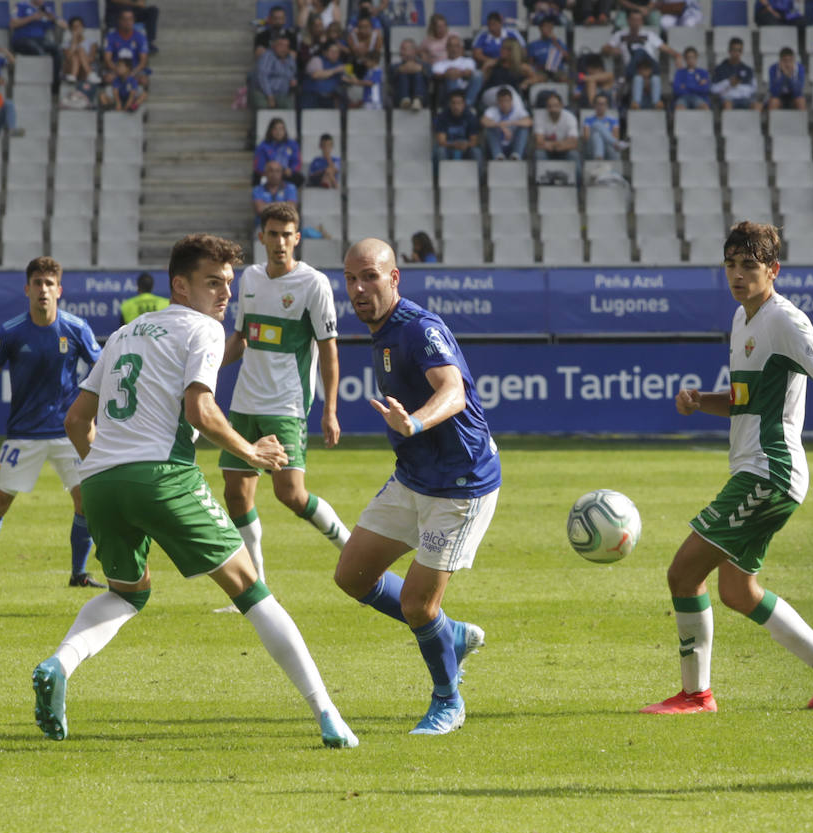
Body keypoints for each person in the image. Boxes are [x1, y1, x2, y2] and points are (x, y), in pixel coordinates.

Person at [30, 233, 357, 749]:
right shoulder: (203, 329)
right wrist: (251, 453)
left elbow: (77, 420)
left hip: (100, 484)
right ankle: (328, 714)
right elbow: (200, 411)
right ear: (180, 285)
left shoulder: (123, 334)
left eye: (228, 282)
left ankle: (59, 663)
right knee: (252, 590)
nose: (225, 293)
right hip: (163, 476)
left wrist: (107, 471)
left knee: (127, 593)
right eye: (212, 282)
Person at [640, 222, 813, 716]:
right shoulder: (742, 319)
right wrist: (702, 402)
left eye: (749, 266)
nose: (738, 275)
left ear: (773, 270)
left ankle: (696, 696)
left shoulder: (785, 320)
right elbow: (746, 402)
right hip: (755, 470)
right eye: (731, 265)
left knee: (683, 572)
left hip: (770, 472)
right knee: (738, 591)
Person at [333, 238, 501, 736]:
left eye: (370, 277)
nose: (359, 289)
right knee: (352, 577)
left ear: (394, 277)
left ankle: (448, 701)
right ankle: (450, 633)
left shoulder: (418, 328)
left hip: (460, 483)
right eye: (351, 280)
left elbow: (452, 388)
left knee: (417, 605)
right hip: (414, 477)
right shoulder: (381, 329)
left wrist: (417, 423)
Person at [209, 203, 350, 613]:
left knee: (290, 494)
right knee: (235, 493)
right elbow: (240, 338)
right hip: (244, 404)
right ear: (263, 237)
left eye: (287, 234)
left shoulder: (313, 284)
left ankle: (348, 545)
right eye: (273, 234)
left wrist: (330, 410)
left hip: (286, 404)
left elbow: (328, 350)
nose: (280, 242)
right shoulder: (250, 278)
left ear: (297, 238)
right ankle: (256, 588)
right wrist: (208, 368)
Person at [0, 256, 103, 591]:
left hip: (67, 432)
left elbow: (103, 369)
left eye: (49, 284)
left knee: (86, 501)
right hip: (24, 433)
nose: (43, 289)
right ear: (27, 289)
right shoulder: (11, 332)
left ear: (59, 290)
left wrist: (93, 415)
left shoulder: (76, 329)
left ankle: (79, 574)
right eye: (37, 283)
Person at [533, 90, 581, 176]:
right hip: (548, 151)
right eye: (550, 106)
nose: (553, 109)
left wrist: (553, 145)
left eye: (555, 105)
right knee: (539, 154)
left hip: (564, 151)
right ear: (547, 107)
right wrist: (560, 144)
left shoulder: (570, 117)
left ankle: (577, 186)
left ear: (561, 105)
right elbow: (538, 143)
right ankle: (541, 185)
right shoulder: (540, 117)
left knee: (574, 155)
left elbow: (574, 143)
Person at [432, 33, 483, 109]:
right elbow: (436, 75)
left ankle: (466, 106)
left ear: (461, 48)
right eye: (451, 46)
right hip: (448, 96)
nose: (453, 49)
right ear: (447, 48)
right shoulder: (439, 64)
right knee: (450, 76)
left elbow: (469, 72)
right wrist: (448, 74)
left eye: (456, 46)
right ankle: (456, 105)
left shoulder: (468, 61)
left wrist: (455, 72)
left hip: (466, 92)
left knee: (478, 74)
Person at [482, 86, 533, 160]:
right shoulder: (492, 110)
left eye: (507, 100)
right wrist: (500, 125)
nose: (504, 104)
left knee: (523, 129)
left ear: (511, 101)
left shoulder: (519, 110)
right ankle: (498, 156)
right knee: (490, 129)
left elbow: (529, 122)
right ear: (498, 102)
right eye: (502, 101)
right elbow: (484, 121)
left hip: (513, 143)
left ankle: (516, 156)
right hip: (498, 144)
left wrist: (509, 123)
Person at [711, 37, 760, 111]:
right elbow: (713, 89)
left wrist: (738, 86)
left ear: (742, 52)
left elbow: (753, 89)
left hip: (745, 99)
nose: (737, 53)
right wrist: (728, 83)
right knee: (727, 104)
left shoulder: (748, 69)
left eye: (739, 51)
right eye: (734, 50)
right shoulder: (720, 69)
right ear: (729, 51)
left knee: (757, 106)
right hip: (728, 99)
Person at [103, 9, 149, 85]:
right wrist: (119, 71)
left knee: (144, 80)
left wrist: (132, 73)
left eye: (130, 19)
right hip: (116, 69)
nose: (128, 22)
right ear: (119, 21)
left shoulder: (141, 37)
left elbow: (143, 61)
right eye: (125, 19)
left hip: (135, 70)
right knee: (108, 79)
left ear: (134, 21)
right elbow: (107, 60)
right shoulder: (110, 37)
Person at [253, 34, 298, 109]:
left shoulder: (290, 59)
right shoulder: (267, 56)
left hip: (283, 94)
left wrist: (292, 81)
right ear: (274, 46)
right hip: (265, 93)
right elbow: (262, 77)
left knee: (290, 106)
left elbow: (292, 74)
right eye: (280, 45)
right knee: (264, 107)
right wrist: (270, 96)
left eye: (286, 46)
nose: (283, 48)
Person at [434, 90, 482, 161]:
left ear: (464, 104)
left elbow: (474, 141)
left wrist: (466, 145)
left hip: (466, 149)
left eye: (459, 103)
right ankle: (440, 172)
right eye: (453, 103)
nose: (456, 106)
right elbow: (441, 141)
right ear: (449, 104)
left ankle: (479, 172)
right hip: (448, 148)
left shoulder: (471, 117)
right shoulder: (442, 117)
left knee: (476, 152)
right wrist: (454, 145)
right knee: (440, 151)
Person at [254, 117, 304, 186]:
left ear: (285, 130)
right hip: (269, 175)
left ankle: (289, 194)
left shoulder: (292, 144)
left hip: (285, 174)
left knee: (299, 178)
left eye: (281, 129)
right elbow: (259, 165)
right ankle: (263, 195)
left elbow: (297, 162)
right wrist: (270, 171)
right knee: (257, 178)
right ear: (270, 131)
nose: (278, 132)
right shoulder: (263, 146)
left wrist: (291, 170)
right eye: (275, 129)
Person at [581, 91, 624, 159]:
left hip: (609, 148)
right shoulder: (588, 119)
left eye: (603, 104)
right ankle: (617, 144)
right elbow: (586, 138)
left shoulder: (613, 120)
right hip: (592, 147)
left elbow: (616, 136)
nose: (600, 106)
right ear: (594, 105)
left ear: (607, 106)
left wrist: (602, 137)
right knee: (596, 126)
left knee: (597, 134)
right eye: (598, 104)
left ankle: (599, 157)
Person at [391, 37, 429, 111]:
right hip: (398, 98)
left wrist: (420, 69)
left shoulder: (426, 65)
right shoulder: (394, 66)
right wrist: (415, 68)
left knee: (418, 74)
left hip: (424, 98)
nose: (401, 52)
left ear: (413, 51)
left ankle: (418, 99)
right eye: (401, 49)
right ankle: (405, 99)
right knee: (403, 72)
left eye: (404, 49)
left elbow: (430, 78)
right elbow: (391, 80)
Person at [61, 15, 100, 85]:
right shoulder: (66, 44)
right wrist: (74, 41)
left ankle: (74, 75)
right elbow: (68, 58)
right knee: (75, 55)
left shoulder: (92, 42)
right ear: (71, 29)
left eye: (79, 26)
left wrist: (80, 56)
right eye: (74, 27)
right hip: (69, 69)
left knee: (80, 50)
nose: (77, 29)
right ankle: (89, 74)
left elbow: (91, 59)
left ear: (83, 27)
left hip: (84, 69)